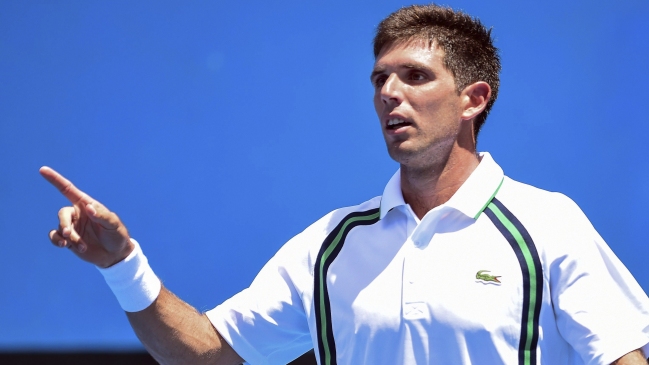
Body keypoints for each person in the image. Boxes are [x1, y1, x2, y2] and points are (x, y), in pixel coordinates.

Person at [40, 4, 649, 365]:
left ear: (473, 99)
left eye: (414, 75)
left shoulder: (548, 226)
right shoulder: (331, 244)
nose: (389, 93)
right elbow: (210, 354)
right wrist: (123, 264)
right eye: (380, 78)